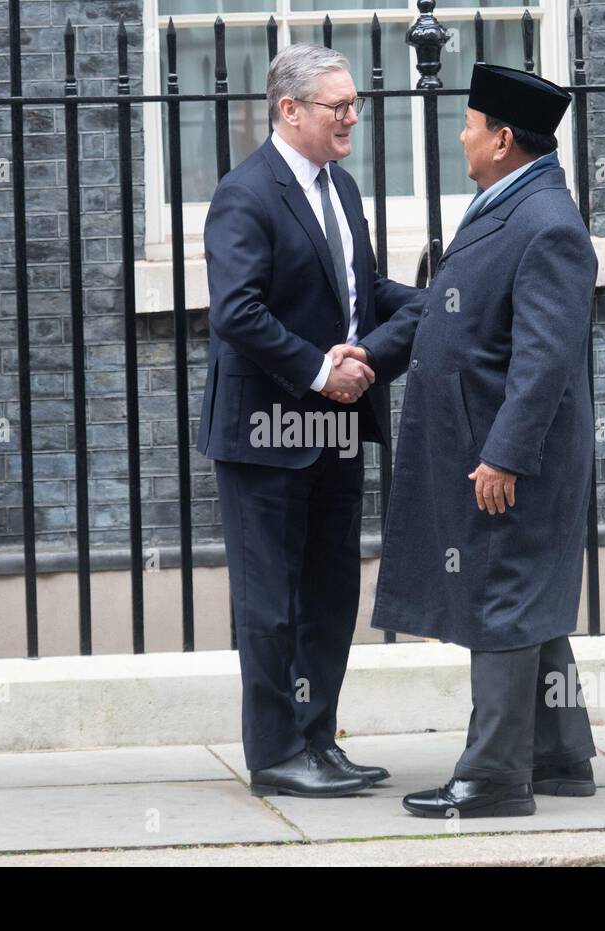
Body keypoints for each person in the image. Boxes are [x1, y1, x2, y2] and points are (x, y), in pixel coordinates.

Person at [335, 63, 600, 818]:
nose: (463, 138)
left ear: (504, 139)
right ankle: (560, 755)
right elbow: (443, 311)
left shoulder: (547, 223)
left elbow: (546, 357)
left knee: (505, 599)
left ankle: (492, 778)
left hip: (508, 454)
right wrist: (375, 355)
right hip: (480, 441)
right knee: (526, 597)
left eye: (471, 126)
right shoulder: (507, 204)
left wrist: (507, 454)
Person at [198, 43, 426, 798]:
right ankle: (274, 755)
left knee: (328, 595)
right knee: (270, 603)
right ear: (289, 110)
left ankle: (317, 742)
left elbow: (359, 288)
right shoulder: (246, 193)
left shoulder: (341, 186)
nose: (353, 116)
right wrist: (323, 369)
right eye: (340, 106)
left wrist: (431, 301)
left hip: (336, 429)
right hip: (267, 432)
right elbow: (237, 312)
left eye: (356, 103)